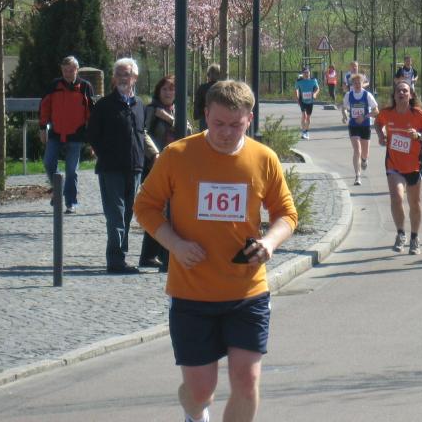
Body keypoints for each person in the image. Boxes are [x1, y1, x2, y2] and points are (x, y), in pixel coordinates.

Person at [133, 80, 297, 422]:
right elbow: (145, 206)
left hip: (247, 290)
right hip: (192, 292)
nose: (226, 132)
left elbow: (286, 214)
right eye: (219, 123)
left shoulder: (263, 158)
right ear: (206, 114)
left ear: (249, 119)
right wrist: (175, 244)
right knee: (200, 391)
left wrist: (269, 243)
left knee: (246, 381)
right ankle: (194, 413)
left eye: (235, 125)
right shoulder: (178, 155)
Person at [87, 58, 157, 274]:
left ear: (135, 77)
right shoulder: (104, 105)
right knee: (115, 214)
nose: (122, 78)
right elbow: (93, 135)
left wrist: (152, 155)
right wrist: (106, 154)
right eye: (118, 74)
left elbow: (141, 133)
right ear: (113, 78)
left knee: (127, 214)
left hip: (134, 167)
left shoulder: (140, 105)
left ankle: (121, 255)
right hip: (111, 169)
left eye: (126, 74)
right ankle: (115, 260)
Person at [375, 80, 422, 255]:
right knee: (396, 198)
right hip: (393, 164)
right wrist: (381, 136)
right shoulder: (387, 113)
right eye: (399, 91)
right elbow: (378, 123)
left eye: (405, 91)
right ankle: (401, 233)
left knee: (414, 203)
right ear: (394, 95)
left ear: (410, 95)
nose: (402, 93)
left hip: (414, 165)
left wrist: (418, 136)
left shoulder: (418, 114)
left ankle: (414, 237)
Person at [38, 56, 94, 214]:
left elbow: (91, 112)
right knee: (48, 162)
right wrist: (42, 128)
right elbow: (44, 107)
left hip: (76, 134)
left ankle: (71, 202)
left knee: (71, 170)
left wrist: (92, 137)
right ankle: (58, 187)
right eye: (65, 70)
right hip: (56, 132)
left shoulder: (85, 87)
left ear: (77, 70)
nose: (68, 73)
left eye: (71, 70)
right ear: (61, 70)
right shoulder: (54, 85)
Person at [139, 75, 181, 271]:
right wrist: (154, 154)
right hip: (155, 165)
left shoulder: (176, 110)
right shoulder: (151, 109)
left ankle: (152, 254)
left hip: (176, 166)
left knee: (169, 210)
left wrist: (170, 119)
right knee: (159, 209)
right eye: (165, 89)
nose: (168, 93)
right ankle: (158, 256)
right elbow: (143, 132)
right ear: (158, 91)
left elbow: (187, 131)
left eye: (172, 89)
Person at [342, 73, 379, 186]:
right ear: (352, 84)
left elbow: (376, 111)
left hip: (365, 125)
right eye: (355, 83)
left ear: (363, 84)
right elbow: (344, 108)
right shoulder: (348, 95)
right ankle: (357, 176)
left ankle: (364, 160)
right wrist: (345, 115)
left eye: (359, 83)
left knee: (364, 153)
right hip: (353, 125)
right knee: (357, 150)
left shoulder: (367, 95)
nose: (357, 85)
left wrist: (365, 116)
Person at [294, 66, 320, 140]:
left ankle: (307, 131)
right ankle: (303, 132)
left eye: (308, 72)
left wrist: (315, 93)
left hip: (310, 101)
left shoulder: (313, 80)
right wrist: (297, 97)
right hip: (302, 100)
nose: (306, 74)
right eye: (305, 73)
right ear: (302, 73)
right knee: (304, 115)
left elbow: (317, 88)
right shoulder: (299, 81)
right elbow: (296, 89)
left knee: (308, 117)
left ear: (309, 72)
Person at [193, 63, 221, 131]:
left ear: (208, 75)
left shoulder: (202, 88)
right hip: (220, 118)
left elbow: (197, 103)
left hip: (205, 118)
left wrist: (197, 115)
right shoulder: (223, 88)